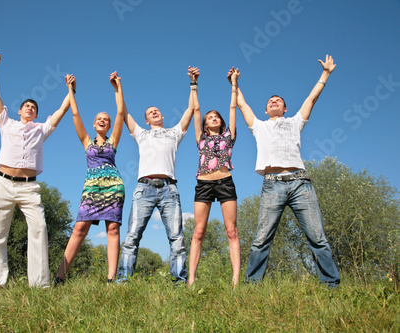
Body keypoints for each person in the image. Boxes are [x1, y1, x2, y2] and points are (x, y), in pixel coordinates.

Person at [235, 55, 341, 287]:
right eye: (270, 101)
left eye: (278, 100)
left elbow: (311, 99)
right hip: (272, 184)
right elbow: (241, 104)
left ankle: (331, 285)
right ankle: (252, 287)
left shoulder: (295, 122)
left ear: (285, 108)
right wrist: (235, 84)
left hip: (300, 183)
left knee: (317, 236)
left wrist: (325, 74)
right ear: (265, 110)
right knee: (261, 239)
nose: (274, 101)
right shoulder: (259, 126)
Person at [0, 53, 72, 289]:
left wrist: (71, 90)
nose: (30, 108)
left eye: (34, 107)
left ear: (36, 113)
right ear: (20, 110)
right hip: (3, 182)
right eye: (27, 106)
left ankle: (40, 286)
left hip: (29, 187)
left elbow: (62, 111)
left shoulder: (41, 130)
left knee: (39, 230)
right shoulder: (7, 123)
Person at [117, 67, 198, 283]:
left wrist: (193, 84)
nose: (154, 112)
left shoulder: (174, 133)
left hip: (169, 189)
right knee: (132, 235)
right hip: (144, 189)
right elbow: (123, 113)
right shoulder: (141, 134)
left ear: (162, 116)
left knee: (177, 238)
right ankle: (123, 281)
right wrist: (118, 88)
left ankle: (179, 282)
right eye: (150, 112)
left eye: (157, 110)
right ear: (146, 120)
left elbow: (191, 110)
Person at [55, 72, 126, 286]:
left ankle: (111, 280)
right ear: (94, 124)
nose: (103, 121)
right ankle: (60, 277)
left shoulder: (113, 140)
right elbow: (75, 115)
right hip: (91, 187)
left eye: (106, 120)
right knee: (80, 228)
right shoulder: (87, 141)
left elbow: (121, 113)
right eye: (99, 119)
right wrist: (71, 90)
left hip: (113, 187)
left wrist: (117, 87)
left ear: (108, 125)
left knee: (112, 229)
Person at [188, 67, 241, 286]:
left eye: (216, 117)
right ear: (205, 124)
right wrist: (194, 84)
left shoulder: (229, 136)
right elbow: (196, 109)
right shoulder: (200, 138)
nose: (213, 118)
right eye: (210, 117)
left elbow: (232, 106)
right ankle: (191, 279)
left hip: (225, 182)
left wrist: (233, 85)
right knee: (198, 232)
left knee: (231, 231)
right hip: (204, 183)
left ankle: (236, 280)